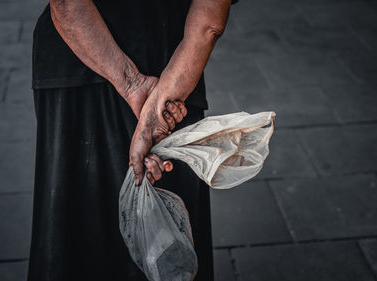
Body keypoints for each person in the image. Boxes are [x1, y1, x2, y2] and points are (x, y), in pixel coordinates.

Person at [27, 0, 236, 280]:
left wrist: (134, 85)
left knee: (75, 243)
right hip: (174, 73)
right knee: (166, 246)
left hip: (85, 61)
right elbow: (209, 22)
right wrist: (157, 98)